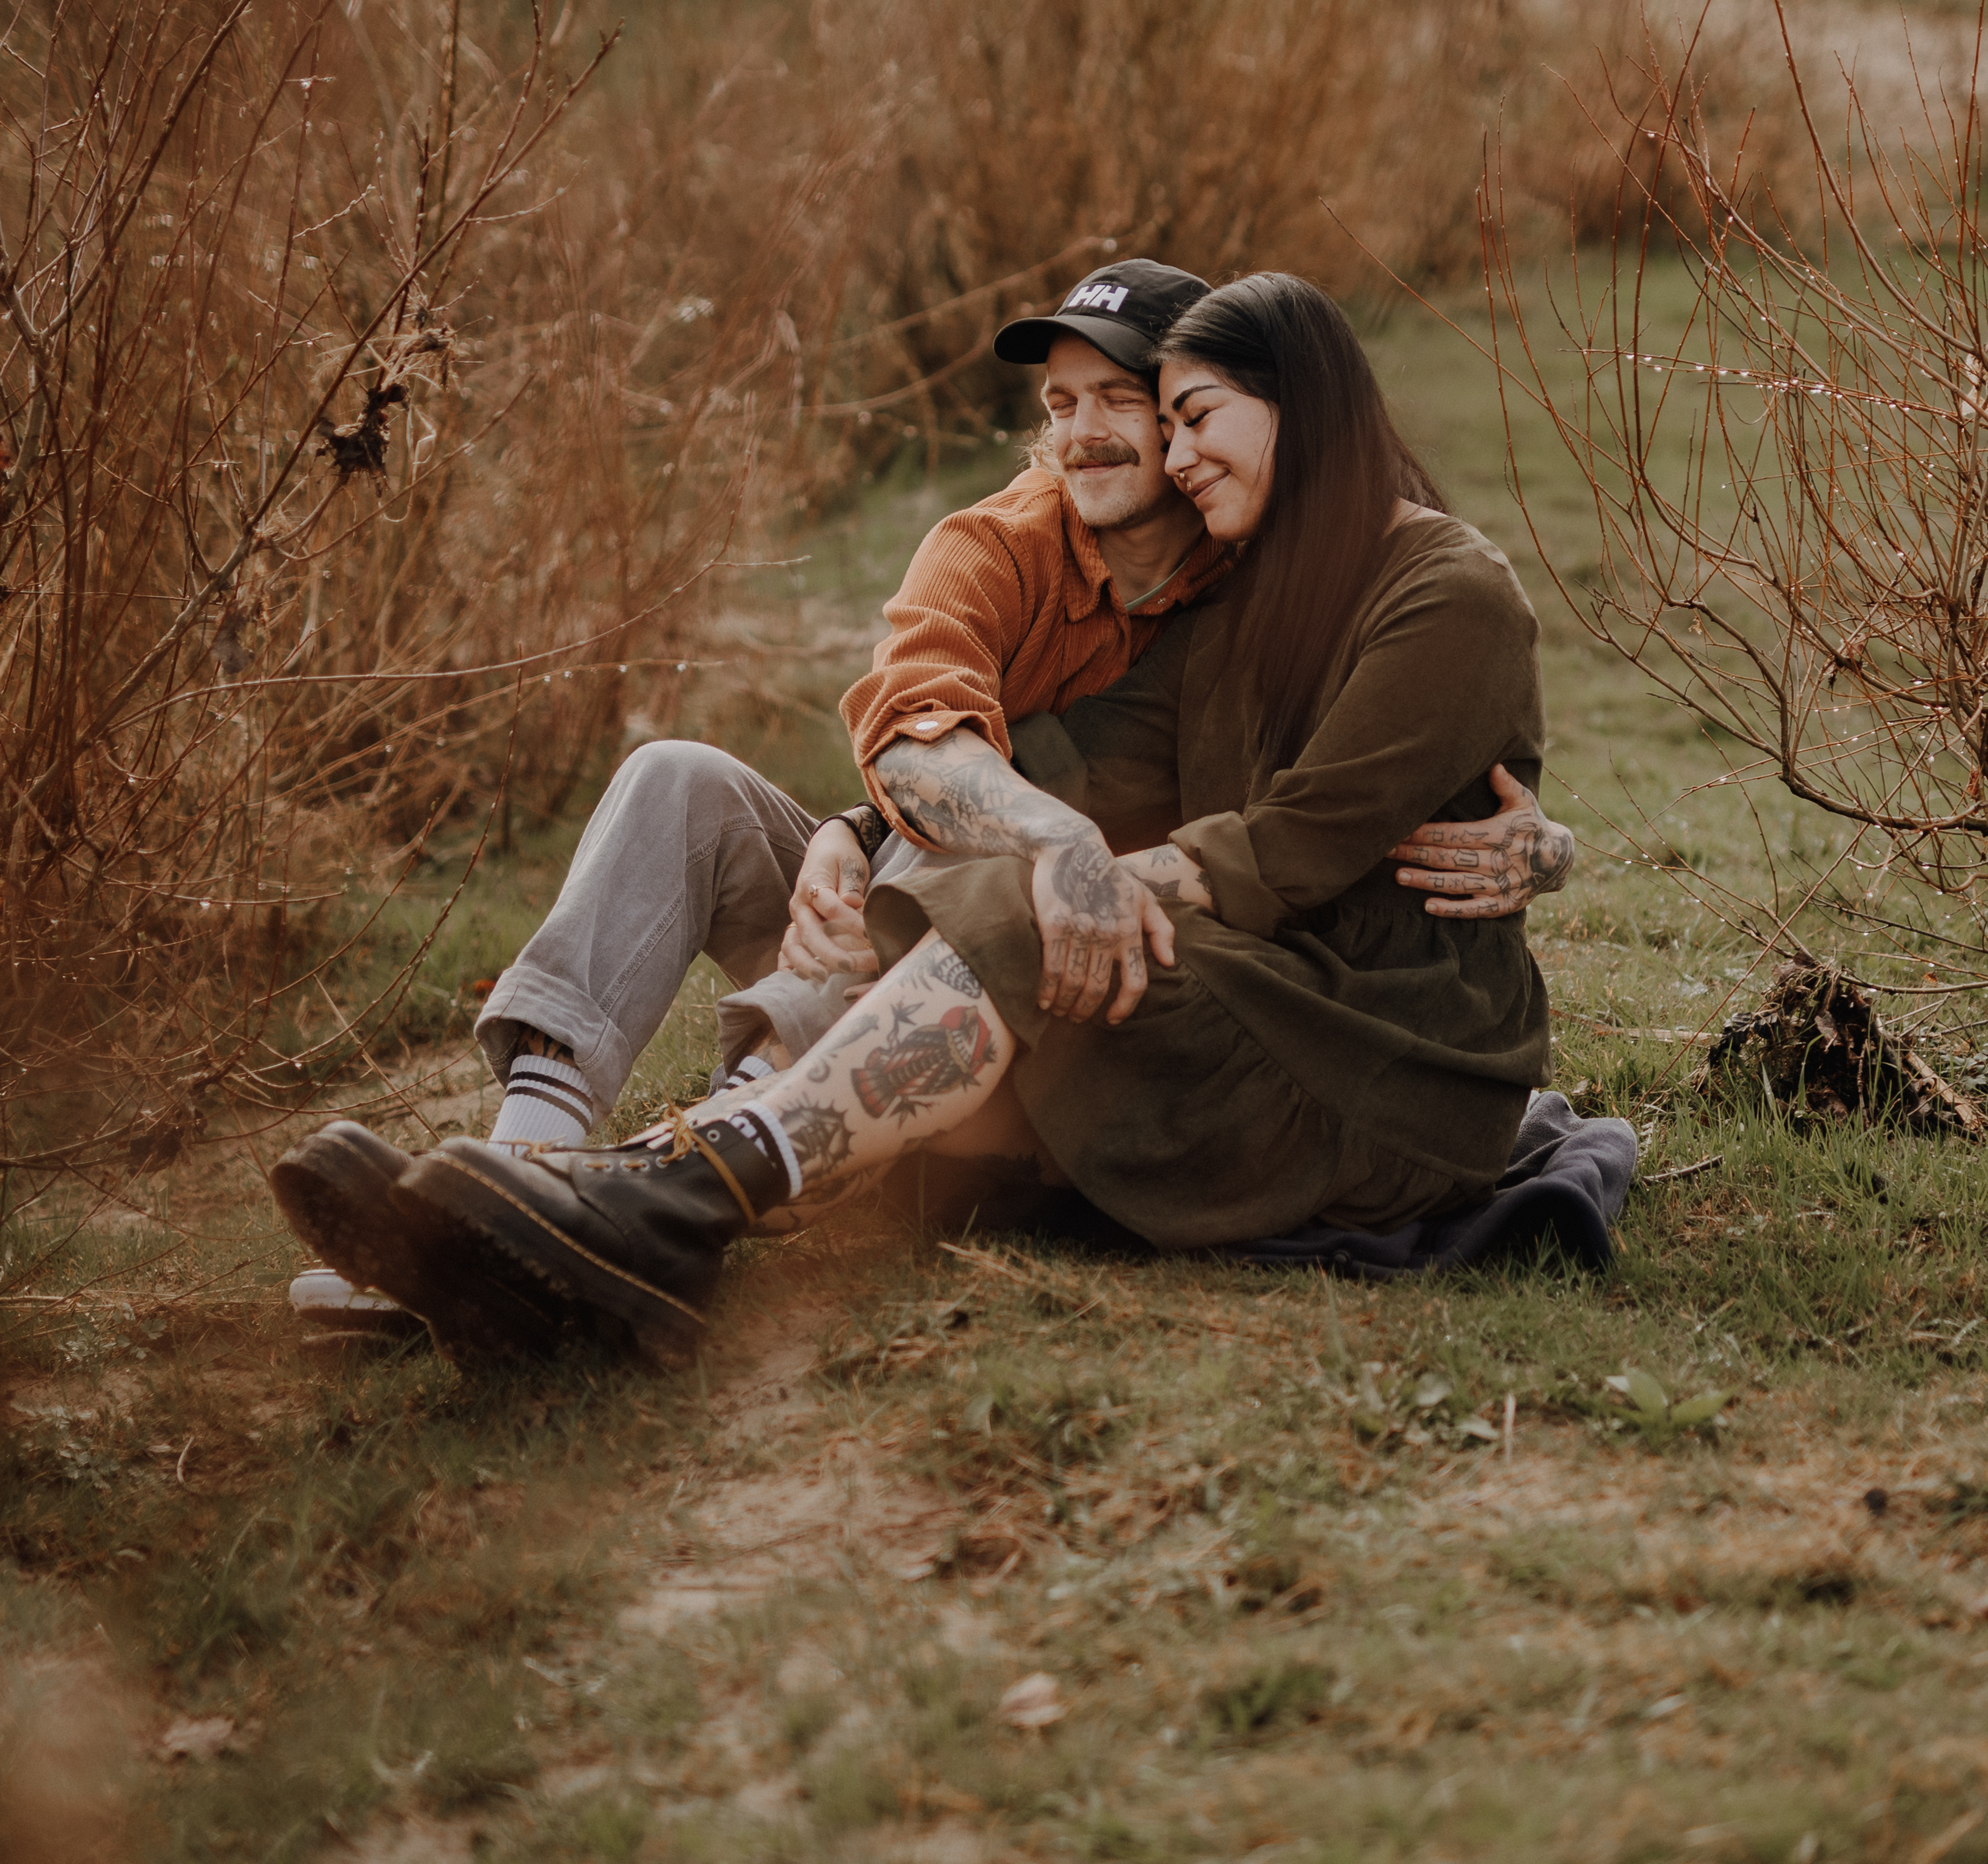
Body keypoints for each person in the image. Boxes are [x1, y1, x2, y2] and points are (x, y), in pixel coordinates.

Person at [281, 272, 1563, 1363]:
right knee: (800, 810)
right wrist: (867, 825)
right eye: (1083, 408)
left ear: (1305, 404)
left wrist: (1543, 842)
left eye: (1172, 412)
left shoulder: (1431, 587)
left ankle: (663, 1195)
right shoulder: (1063, 560)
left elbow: (1300, 838)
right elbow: (1039, 760)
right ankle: (546, 1178)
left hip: (1378, 1056)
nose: (1156, 449)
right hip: (1223, 979)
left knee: (1014, 887)